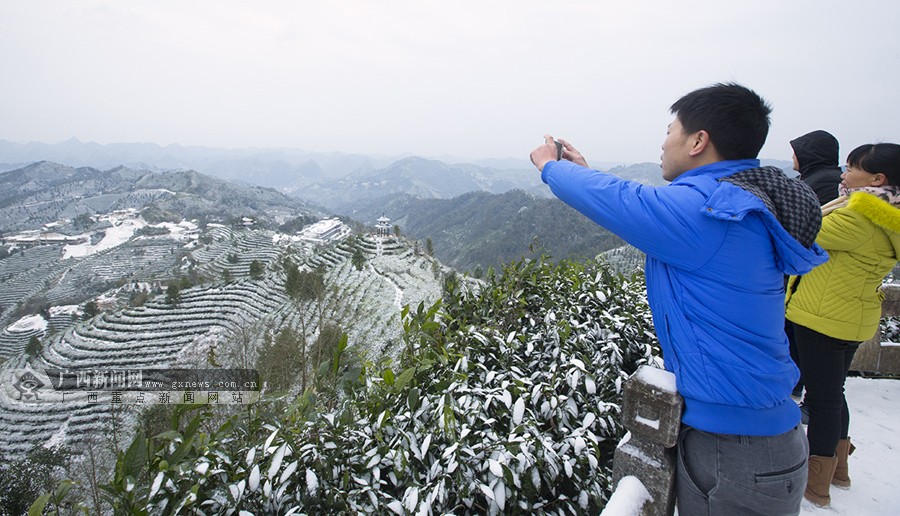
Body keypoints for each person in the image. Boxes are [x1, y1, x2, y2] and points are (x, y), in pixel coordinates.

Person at [529, 82, 828, 515]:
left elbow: (628, 203)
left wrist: (551, 169)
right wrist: (584, 170)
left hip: (740, 452)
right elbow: (647, 211)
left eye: (670, 130)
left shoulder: (711, 211)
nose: (663, 141)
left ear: (698, 141)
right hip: (749, 440)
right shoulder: (735, 201)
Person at [784, 143, 900, 507]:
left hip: (824, 316)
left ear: (877, 178)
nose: (843, 174)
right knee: (832, 393)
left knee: (822, 399)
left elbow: (803, 232)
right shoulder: (885, 215)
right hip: (849, 314)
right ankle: (839, 470)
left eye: (851, 168)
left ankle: (817, 483)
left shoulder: (861, 217)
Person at [786, 129, 844, 400]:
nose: (793, 156)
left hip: (811, 273)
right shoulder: (825, 179)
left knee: (797, 333)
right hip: (811, 272)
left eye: (797, 150)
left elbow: (808, 227)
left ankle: (800, 387)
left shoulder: (822, 182)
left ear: (810, 152)